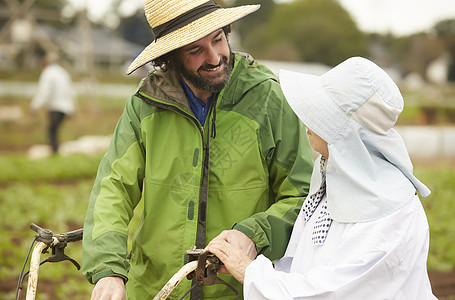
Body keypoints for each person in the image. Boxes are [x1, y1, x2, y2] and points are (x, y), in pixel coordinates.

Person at [81, 0, 314, 299]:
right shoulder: (145, 105)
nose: (215, 57)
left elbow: (303, 193)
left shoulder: (267, 98)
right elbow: (113, 190)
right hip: (158, 289)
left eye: (218, 39)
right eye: (195, 50)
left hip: (237, 290)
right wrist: (109, 270)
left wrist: (255, 234)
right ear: (171, 57)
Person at [208, 57, 437, 299]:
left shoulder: (388, 213)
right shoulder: (333, 180)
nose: (307, 121)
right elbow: (304, 263)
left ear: (347, 134)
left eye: (320, 114)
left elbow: (332, 292)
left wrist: (251, 273)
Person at [30, 51, 76, 154]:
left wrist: (34, 106)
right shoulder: (63, 72)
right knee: (55, 130)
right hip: (65, 107)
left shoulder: (48, 73)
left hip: (55, 106)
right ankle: (55, 152)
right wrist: (71, 109)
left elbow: (44, 91)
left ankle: (55, 153)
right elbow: (71, 91)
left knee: (52, 131)